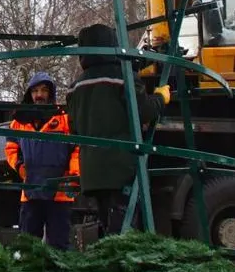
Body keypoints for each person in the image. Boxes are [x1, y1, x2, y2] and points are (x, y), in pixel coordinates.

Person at [64, 23, 162, 235]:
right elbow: (144, 111)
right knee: (124, 231)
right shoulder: (123, 77)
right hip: (121, 168)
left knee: (107, 227)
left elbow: (73, 128)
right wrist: (161, 97)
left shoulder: (74, 88)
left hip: (92, 173)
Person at [5, 72, 78, 249]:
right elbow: (11, 149)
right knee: (27, 246)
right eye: (35, 90)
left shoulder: (64, 119)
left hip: (59, 192)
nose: (39, 95)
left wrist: (74, 175)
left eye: (44, 90)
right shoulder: (18, 122)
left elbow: (77, 149)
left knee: (59, 246)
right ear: (29, 94)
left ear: (50, 93)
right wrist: (19, 166)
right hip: (30, 192)